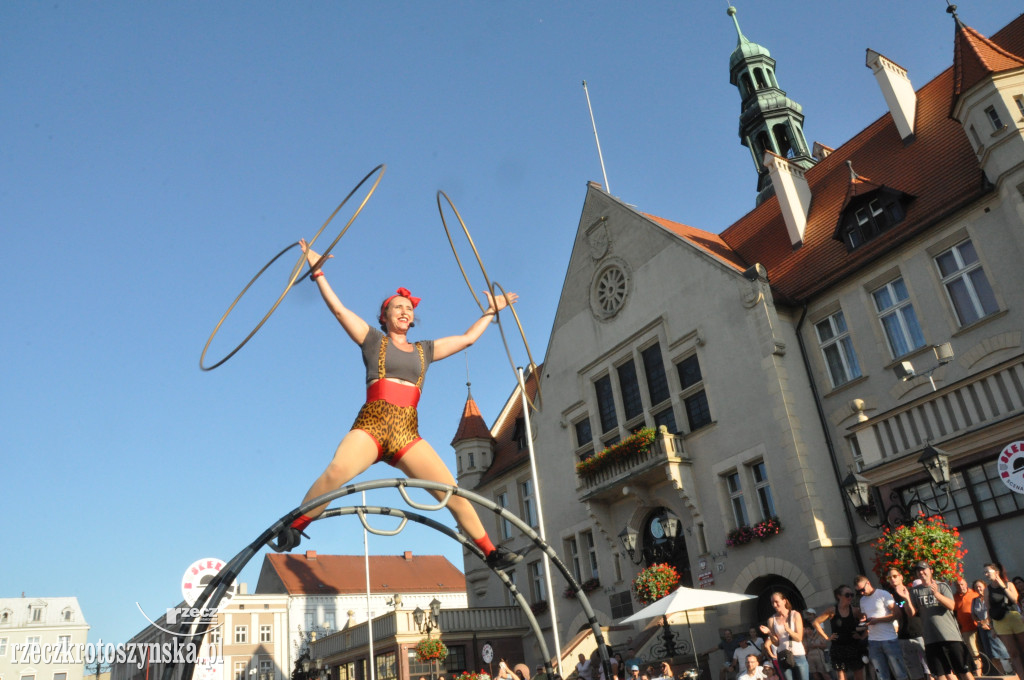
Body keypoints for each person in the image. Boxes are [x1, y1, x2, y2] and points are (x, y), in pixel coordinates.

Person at [270, 240, 521, 573]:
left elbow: (467, 339)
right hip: (373, 424)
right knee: (337, 472)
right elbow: (340, 311)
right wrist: (318, 272)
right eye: (398, 307)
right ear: (384, 316)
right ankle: (297, 524)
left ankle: (490, 552)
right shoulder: (374, 341)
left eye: (409, 308)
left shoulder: (424, 350)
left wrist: (491, 311)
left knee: (452, 493)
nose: (405, 311)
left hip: (407, 432)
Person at [908, 561, 974, 680]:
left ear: (931, 570)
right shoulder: (915, 591)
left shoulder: (942, 586)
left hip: (950, 636)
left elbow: (951, 606)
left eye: (924, 569)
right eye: (918, 571)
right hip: (931, 639)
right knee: (940, 674)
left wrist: (937, 594)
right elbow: (911, 613)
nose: (921, 572)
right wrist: (905, 599)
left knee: (963, 670)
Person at [854, 574, 910, 680]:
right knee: (881, 676)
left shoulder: (883, 594)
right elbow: (867, 616)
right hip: (873, 641)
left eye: (862, 589)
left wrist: (877, 620)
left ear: (868, 583)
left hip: (889, 639)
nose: (861, 593)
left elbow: (897, 614)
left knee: (900, 673)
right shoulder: (862, 600)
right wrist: (864, 619)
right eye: (858, 591)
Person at [812, 585, 866, 680]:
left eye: (851, 595)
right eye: (847, 595)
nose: (850, 597)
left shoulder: (854, 610)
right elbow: (816, 622)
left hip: (853, 646)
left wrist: (862, 636)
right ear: (839, 596)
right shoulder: (832, 610)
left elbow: (865, 620)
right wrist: (827, 637)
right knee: (841, 676)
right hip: (838, 647)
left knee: (858, 673)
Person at [886, 568, 930, 680]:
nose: (892, 579)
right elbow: (895, 616)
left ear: (901, 577)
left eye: (894, 576)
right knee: (913, 670)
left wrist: (906, 599)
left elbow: (913, 613)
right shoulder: (890, 597)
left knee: (930, 667)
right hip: (903, 635)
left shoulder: (912, 591)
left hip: (919, 632)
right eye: (889, 578)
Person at [984, 562, 1024, 679]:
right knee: (1013, 653)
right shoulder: (988, 589)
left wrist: (1003, 587)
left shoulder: (1009, 584)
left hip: (1015, 619)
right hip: (1000, 622)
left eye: (988, 571)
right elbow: (988, 608)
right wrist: (992, 627)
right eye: (985, 572)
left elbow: (1015, 599)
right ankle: (1021, 676)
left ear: (996, 572)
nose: (986, 574)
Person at [759, 591, 808, 680]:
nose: (774, 605)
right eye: (772, 603)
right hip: (783, 656)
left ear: (784, 601)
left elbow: (799, 638)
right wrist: (769, 633)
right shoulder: (771, 619)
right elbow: (777, 643)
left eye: (776, 602)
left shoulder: (795, 614)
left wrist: (789, 630)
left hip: (798, 654)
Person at [971, 579, 1013, 675]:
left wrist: (987, 622)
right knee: (991, 654)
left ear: (984, 586)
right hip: (982, 629)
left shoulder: (989, 597)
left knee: (1002, 652)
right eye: (976, 587)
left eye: (980, 586)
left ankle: (1012, 672)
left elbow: (992, 610)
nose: (978, 589)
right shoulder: (975, 601)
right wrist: (980, 622)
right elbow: (973, 614)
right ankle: (1002, 674)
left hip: (993, 627)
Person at [952, 577, 982, 676]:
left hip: (980, 627)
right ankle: (978, 674)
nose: (960, 587)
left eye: (962, 584)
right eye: (957, 585)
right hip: (966, 629)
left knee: (983, 650)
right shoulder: (954, 597)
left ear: (966, 584)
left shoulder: (974, 593)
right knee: (973, 652)